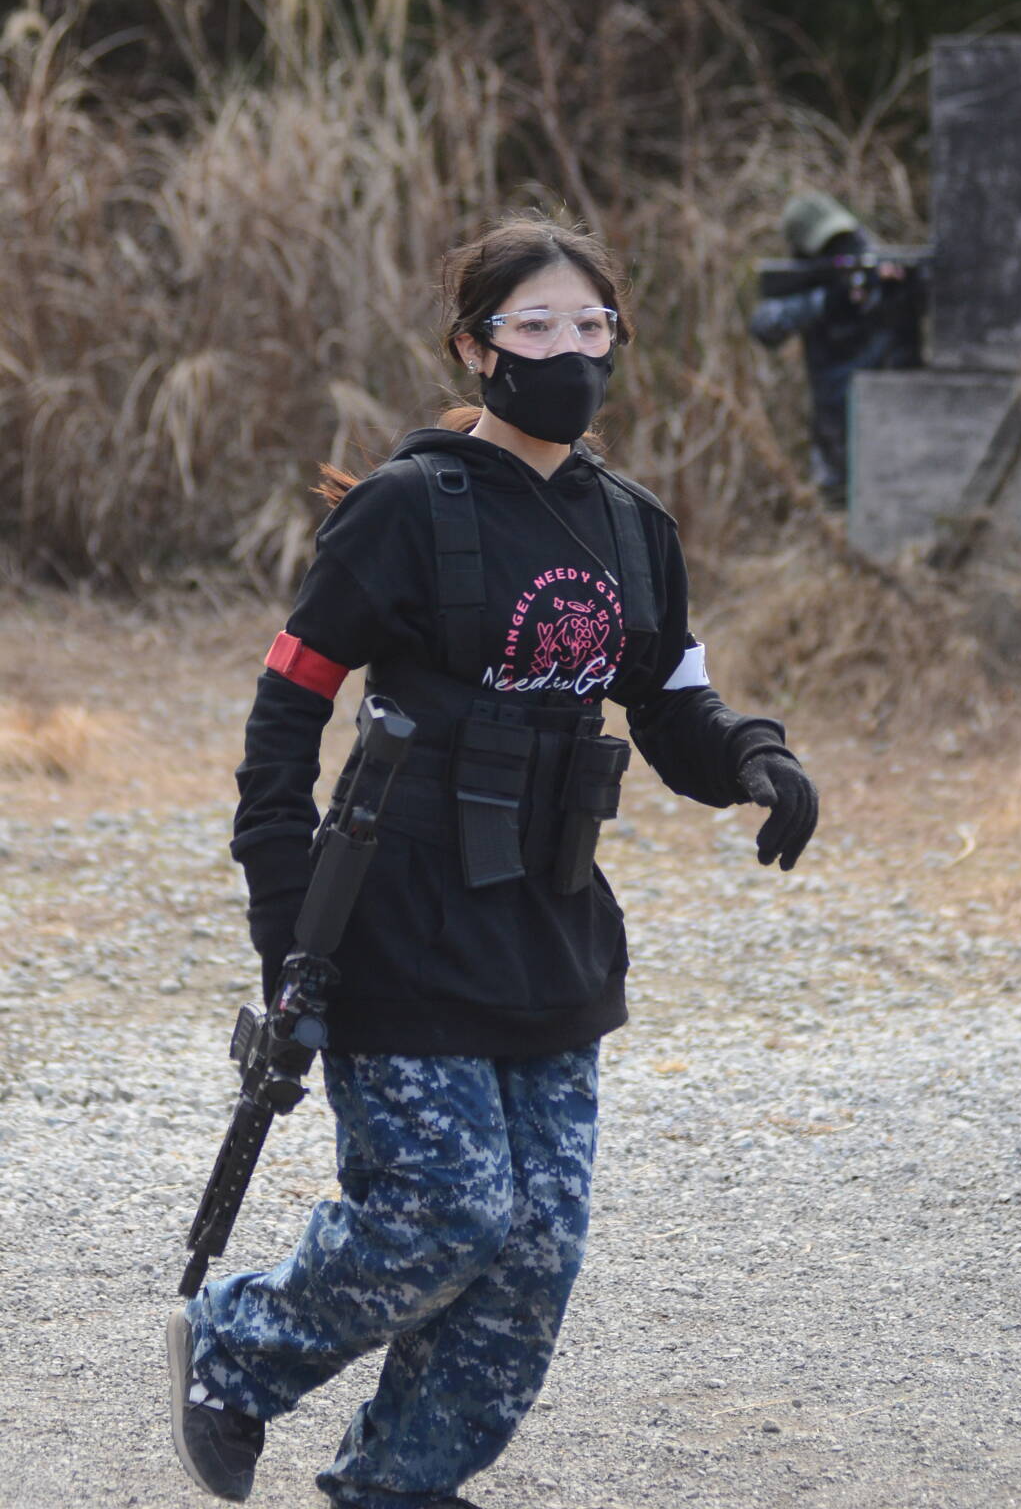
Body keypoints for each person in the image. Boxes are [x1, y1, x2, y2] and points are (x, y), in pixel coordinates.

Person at [167, 214, 819, 1509]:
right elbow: (287, 710)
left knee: (534, 1250)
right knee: (445, 1212)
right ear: (476, 347)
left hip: (549, 919)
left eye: (592, 326)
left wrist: (755, 758)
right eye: (537, 327)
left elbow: (671, 701)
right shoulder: (406, 509)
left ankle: (399, 1484)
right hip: (397, 912)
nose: (570, 352)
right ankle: (237, 1350)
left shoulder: (632, 526)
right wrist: (285, 910)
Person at [750, 190, 924, 507]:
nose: (842, 248)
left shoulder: (879, 264)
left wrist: (897, 291)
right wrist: (828, 302)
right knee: (838, 508)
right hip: (836, 430)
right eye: (829, 244)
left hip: (900, 424)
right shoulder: (813, 284)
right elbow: (764, 326)